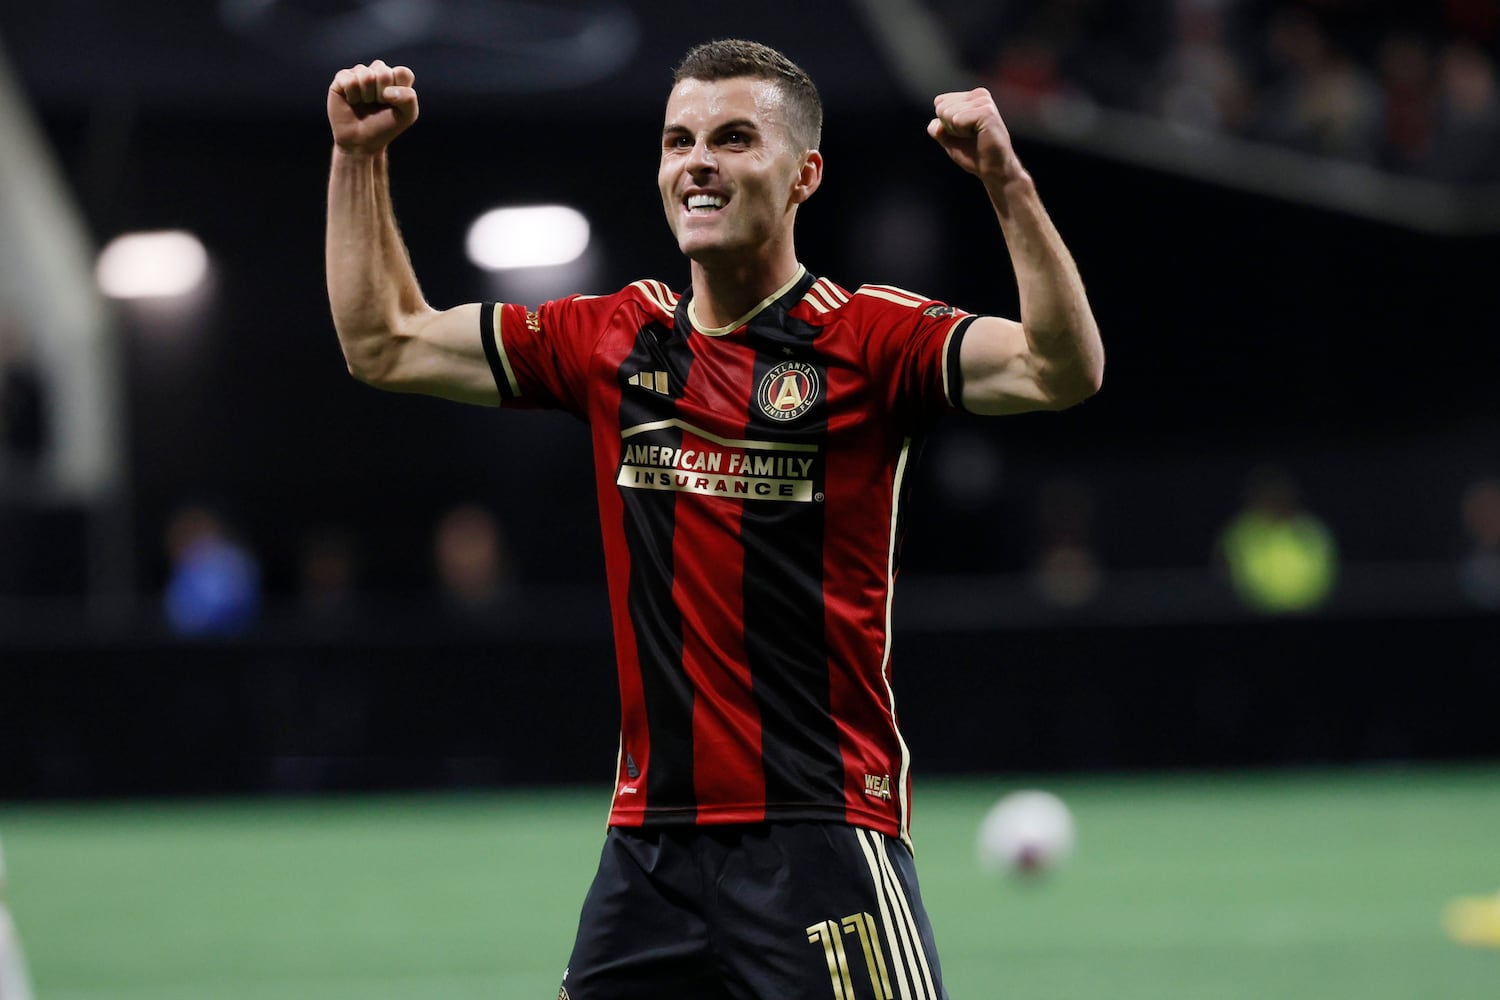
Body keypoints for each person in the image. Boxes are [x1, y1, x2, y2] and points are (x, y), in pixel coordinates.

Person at [326, 39, 1102, 999]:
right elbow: (384, 343)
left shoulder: (869, 339)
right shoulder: (612, 338)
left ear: (803, 174)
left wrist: (1007, 183)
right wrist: (358, 156)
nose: (697, 161)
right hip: (649, 847)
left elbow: (1060, 369)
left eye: (734, 139)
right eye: (678, 140)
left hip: (820, 833)